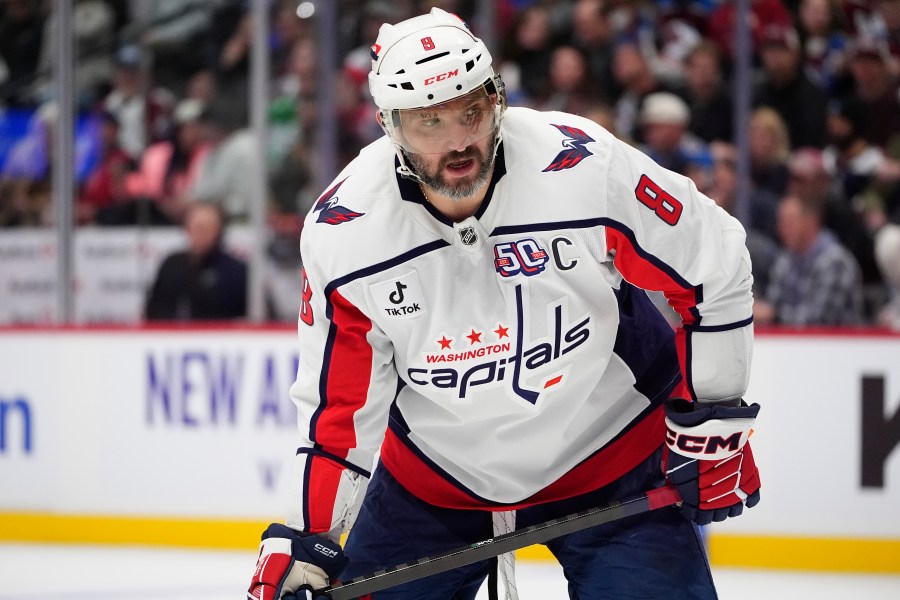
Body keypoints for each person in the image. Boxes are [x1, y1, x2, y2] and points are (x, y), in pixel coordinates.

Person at [247, 9, 761, 600]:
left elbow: (713, 261)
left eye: (472, 110)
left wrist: (715, 418)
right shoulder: (347, 232)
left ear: (498, 98)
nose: (458, 141)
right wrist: (303, 536)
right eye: (428, 123)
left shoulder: (583, 168)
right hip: (435, 487)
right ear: (390, 127)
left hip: (612, 461)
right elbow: (339, 413)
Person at [753, 193, 865, 326]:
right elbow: (773, 303)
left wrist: (773, 315)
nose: (781, 229)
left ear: (812, 221)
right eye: (780, 222)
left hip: (839, 344)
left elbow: (820, 321)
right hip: (792, 343)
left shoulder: (835, 261)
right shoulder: (785, 259)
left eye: (789, 222)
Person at [144, 201, 247, 320]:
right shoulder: (171, 265)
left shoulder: (236, 272)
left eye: (207, 229)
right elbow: (153, 312)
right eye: (197, 228)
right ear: (187, 229)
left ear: (219, 232)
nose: (200, 235)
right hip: (173, 337)